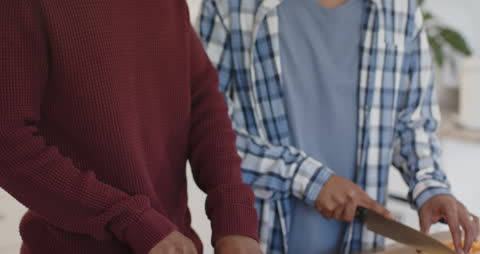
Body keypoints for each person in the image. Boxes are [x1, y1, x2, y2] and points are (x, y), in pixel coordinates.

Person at [196, 0, 480, 253]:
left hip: (365, 243)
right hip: (260, 240)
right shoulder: (229, 6)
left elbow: (412, 124)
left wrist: (431, 188)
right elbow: (206, 131)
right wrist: (308, 179)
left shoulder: (400, 9)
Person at [0, 0, 264, 253]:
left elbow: (202, 100)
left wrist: (233, 215)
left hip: (174, 242)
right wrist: (130, 220)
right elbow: (8, 141)